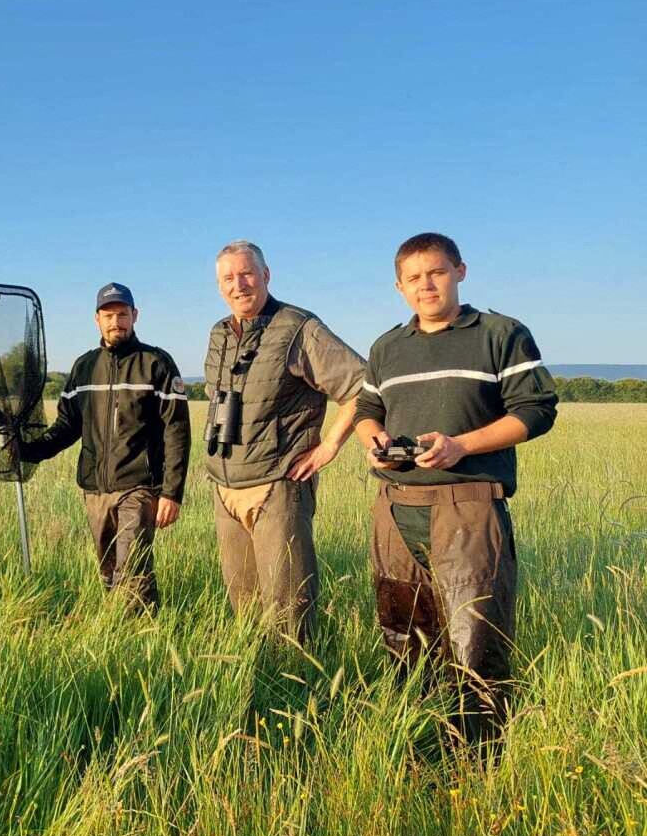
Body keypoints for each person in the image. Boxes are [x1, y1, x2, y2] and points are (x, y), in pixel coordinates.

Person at [353, 231, 558, 747]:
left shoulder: (499, 333)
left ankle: (480, 758)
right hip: (396, 507)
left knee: (476, 636)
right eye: (414, 278)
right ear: (399, 286)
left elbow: (536, 410)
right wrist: (374, 439)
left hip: (468, 504)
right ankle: (420, 744)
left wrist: (460, 446)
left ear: (460, 272)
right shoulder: (387, 347)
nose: (427, 286)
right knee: (404, 632)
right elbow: (366, 410)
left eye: (437, 272)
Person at [203, 240, 366, 643]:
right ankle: (256, 691)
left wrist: (329, 446)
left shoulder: (297, 327)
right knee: (246, 610)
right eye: (228, 278)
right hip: (226, 489)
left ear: (265, 275)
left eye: (246, 274)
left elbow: (362, 385)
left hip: (277, 486)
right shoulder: (220, 333)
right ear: (219, 286)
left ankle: (301, 693)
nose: (238, 285)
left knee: (289, 613)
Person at [20, 283, 190, 610]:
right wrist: (27, 451)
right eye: (109, 315)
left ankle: (137, 639)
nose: (117, 322)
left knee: (133, 570)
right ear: (96, 319)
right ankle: (122, 630)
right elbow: (67, 427)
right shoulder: (84, 367)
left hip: (138, 486)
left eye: (123, 314)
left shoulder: (156, 363)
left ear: (135, 315)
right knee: (109, 572)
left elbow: (177, 431)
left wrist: (171, 492)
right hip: (95, 490)